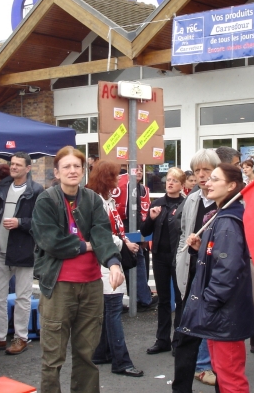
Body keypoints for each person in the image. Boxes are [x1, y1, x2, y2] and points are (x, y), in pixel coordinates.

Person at [31, 146, 124, 393]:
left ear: (83, 170)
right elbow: (51, 241)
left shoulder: (92, 199)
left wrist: (114, 262)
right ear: (57, 172)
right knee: (53, 357)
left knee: (86, 355)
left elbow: (102, 233)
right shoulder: (46, 200)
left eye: (77, 166)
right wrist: (86, 246)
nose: (72, 171)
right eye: (67, 167)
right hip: (58, 285)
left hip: (92, 285)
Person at [181, 163, 254, 393]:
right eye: (208, 178)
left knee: (230, 378)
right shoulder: (222, 216)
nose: (207, 183)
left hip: (224, 314)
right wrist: (201, 248)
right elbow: (221, 256)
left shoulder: (228, 221)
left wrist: (209, 303)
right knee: (225, 374)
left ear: (232, 186)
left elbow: (227, 270)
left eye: (214, 179)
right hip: (221, 314)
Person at [0, 152, 44, 356]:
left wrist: (20, 222)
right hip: (0, 250)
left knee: (23, 297)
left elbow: (42, 223)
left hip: (23, 250)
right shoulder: (2, 187)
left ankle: (21, 337)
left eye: (18, 165)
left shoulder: (36, 191)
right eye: (12, 164)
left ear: (28, 168)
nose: (13, 167)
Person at [87, 161, 143, 377]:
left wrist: (123, 241)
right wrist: (123, 243)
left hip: (109, 261)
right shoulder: (97, 202)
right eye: (115, 176)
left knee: (108, 311)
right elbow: (99, 234)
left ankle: (102, 352)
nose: (119, 180)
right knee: (113, 311)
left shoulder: (106, 200)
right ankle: (121, 361)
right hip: (105, 264)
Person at [173, 149, 220, 390]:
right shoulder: (192, 199)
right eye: (197, 171)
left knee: (217, 335)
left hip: (216, 277)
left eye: (207, 170)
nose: (202, 176)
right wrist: (180, 260)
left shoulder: (227, 200)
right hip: (192, 273)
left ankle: (211, 369)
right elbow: (184, 233)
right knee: (185, 334)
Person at [141, 167, 186, 355]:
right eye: (168, 179)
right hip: (159, 256)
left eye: (175, 180)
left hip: (178, 256)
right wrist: (151, 219)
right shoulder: (157, 203)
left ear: (182, 185)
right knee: (164, 299)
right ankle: (162, 340)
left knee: (180, 299)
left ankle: (179, 339)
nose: (170, 183)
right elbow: (144, 231)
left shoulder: (186, 204)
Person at [113, 167, 156, 311]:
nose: (139, 172)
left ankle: (141, 297)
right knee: (131, 262)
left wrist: (143, 234)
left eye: (141, 170)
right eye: (136, 169)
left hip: (135, 230)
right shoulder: (123, 186)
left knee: (136, 261)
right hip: (125, 230)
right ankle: (141, 298)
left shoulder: (141, 188)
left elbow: (140, 212)